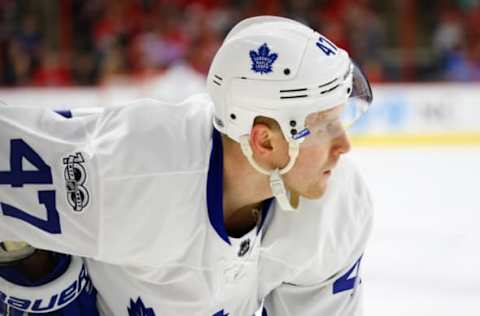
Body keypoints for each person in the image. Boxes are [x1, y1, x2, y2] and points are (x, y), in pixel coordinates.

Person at [0, 16, 373, 315]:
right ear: (265, 141)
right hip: (86, 299)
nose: (344, 146)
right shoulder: (129, 171)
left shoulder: (337, 207)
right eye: (324, 126)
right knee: (27, 265)